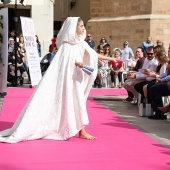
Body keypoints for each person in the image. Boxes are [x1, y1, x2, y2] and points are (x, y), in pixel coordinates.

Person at [0, 17, 116, 143]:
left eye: (83, 26)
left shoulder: (81, 42)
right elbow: (65, 62)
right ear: (74, 28)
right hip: (68, 80)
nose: (83, 28)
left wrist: (110, 59)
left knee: (79, 102)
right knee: (73, 103)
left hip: (77, 78)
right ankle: (78, 130)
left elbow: (92, 54)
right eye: (81, 26)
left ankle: (81, 130)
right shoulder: (67, 45)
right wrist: (76, 63)